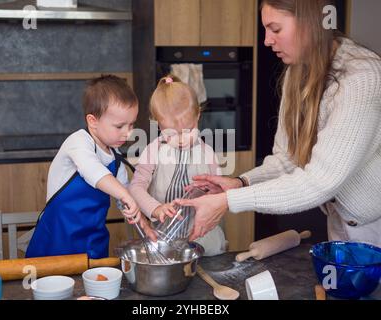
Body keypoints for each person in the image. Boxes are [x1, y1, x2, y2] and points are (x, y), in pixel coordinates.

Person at [177, 0, 381, 247]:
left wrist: (229, 201)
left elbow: (320, 182)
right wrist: (241, 183)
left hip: (374, 226)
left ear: (311, 24)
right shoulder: (297, 72)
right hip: (340, 220)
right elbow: (288, 158)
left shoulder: (361, 78)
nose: (267, 41)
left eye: (275, 29)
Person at [26, 75, 155, 259]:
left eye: (131, 124)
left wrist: (144, 225)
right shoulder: (78, 142)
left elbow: (126, 200)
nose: (129, 132)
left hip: (93, 246)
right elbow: (93, 171)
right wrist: (125, 194)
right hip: (56, 244)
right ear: (93, 121)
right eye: (119, 126)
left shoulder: (116, 159)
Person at [129, 75, 227, 256]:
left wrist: (212, 190)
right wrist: (156, 208)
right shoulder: (153, 151)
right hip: (163, 239)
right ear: (158, 124)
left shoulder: (208, 154)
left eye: (188, 131)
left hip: (202, 237)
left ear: (198, 115)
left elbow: (221, 196)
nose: (180, 140)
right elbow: (136, 188)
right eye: (170, 134)